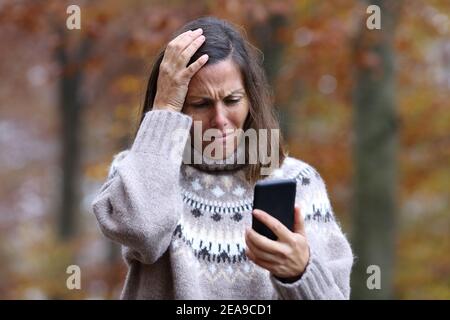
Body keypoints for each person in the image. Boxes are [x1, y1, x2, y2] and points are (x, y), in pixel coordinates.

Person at [92, 16, 353, 299]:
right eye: (201, 104)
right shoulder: (138, 171)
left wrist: (302, 273)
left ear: (251, 98)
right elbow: (142, 232)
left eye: (232, 100)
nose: (220, 120)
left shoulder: (297, 182)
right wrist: (164, 105)